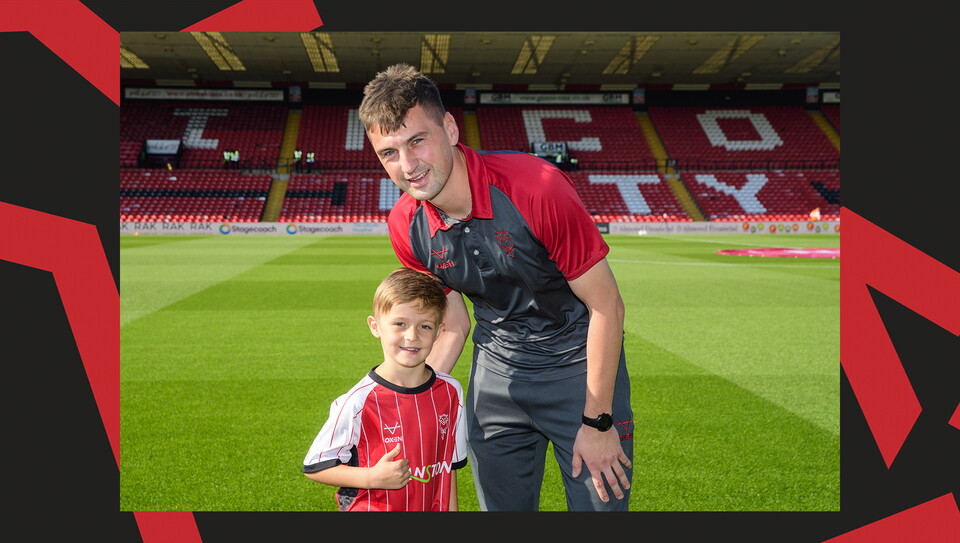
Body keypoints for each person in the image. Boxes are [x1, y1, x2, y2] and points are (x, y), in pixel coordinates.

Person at [359, 63, 633, 511]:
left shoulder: (536, 188)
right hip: (497, 381)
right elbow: (451, 325)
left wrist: (599, 420)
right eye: (389, 153)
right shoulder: (405, 225)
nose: (407, 166)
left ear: (449, 128)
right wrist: (415, 392)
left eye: (416, 141)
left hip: (578, 373)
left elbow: (607, 307)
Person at [302, 267, 468, 511]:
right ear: (375, 326)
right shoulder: (358, 401)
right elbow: (316, 466)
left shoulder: (451, 391)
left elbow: (447, 469)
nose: (411, 336)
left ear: (439, 332)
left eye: (425, 326)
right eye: (400, 324)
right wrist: (371, 478)